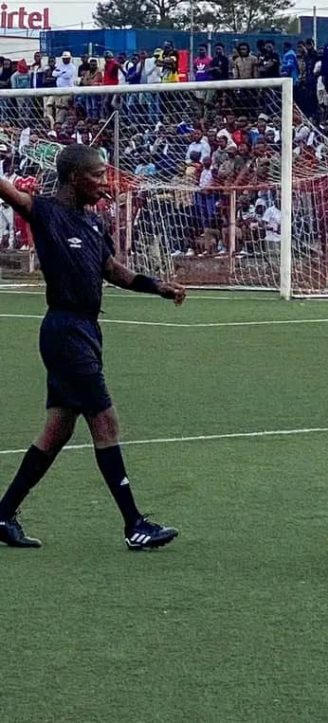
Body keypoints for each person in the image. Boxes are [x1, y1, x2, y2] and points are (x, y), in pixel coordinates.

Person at [0, 145, 186, 550]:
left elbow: (113, 271)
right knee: (105, 421)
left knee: (58, 430)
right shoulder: (46, 212)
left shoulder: (93, 223)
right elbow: (9, 193)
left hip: (85, 331)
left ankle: (2, 514)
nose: (105, 182)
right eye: (98, 175)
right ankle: (134, 525)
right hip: (64, 330)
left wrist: (157, 286)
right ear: (74, 177)